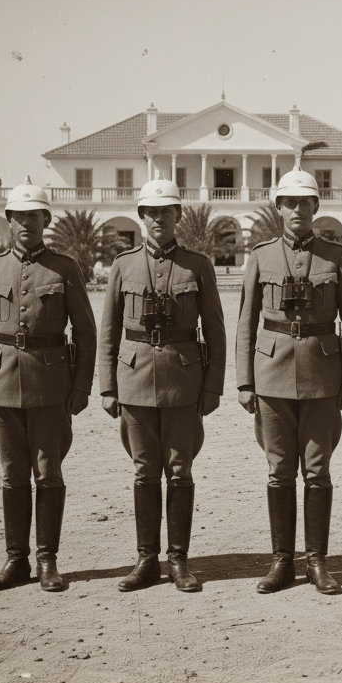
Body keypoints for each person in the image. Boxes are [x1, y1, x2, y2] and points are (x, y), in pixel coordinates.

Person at [235, 167, 342, 595]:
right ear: (278, 208)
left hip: (322, 375)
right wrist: (245, 382)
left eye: (304, 203)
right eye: (289, 202)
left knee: (318, 470)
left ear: (315, 208)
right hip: (270, 373)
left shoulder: (335, 256)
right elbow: (245, 324)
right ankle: (281, 562)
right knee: (278, 471)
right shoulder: (261, 256)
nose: (297, 210)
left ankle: (317, 561)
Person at [0, 179, 96, 592]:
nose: (27, 224)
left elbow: (87, 334)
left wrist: (80, 388)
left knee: (48, 472)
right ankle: (15, 561)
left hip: (50, 384)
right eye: (19, 216)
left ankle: (47, 561)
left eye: (34, 216)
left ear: (46, 220)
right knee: (12, 475)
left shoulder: (64, 268)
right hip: (1, 383)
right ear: (9, 221)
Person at [98, 177, 226, 593]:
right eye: (151, 212)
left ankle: (178, 560)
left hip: (184, 379)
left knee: (180, 470)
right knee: (143, 471)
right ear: (141, 216)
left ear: (178, 217)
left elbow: (216, 331)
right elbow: (109, 331)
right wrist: (107, 387)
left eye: (166, 212)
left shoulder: (198, 265)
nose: (158, 219)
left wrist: (212, 388)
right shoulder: (123, 265)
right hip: (133, 378)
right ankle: (145, 560)